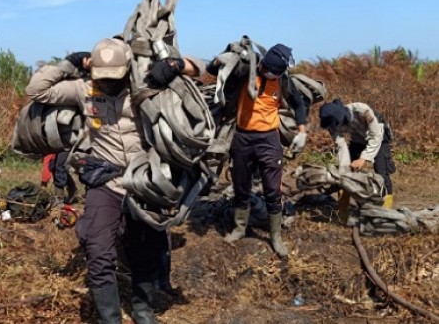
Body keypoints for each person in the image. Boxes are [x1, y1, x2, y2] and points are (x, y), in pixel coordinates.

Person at [26, 38, 199, 324]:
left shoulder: (146, 86)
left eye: (114, 79)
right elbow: (36, 90)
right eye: (102, 78)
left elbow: (207, 70)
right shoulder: (85, 90)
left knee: (145, 250)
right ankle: (110, 319)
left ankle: (143, 310)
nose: (107, 84)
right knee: (97, 249)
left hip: (143, 182)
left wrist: (176, 65)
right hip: (104, 182)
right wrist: (69, 61)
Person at [207, 43, 308, 258]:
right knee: (241, 186)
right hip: (242, 137)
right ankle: (240, 229)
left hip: (269, 139)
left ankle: (275, 236)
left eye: (273, 72)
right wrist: (219, 59)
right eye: (266, 70)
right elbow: (212, 70)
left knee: (272, 189)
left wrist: (302, 131)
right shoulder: (246, 73)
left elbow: (299, 105)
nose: (268, 74)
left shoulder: (283, 81)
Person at [319, 99, 396, 217]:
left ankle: (386, 213)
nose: (336, 127)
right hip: (357, 140)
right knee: (345, 174)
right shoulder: (331, 123)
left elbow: (376, 136)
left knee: (382, 172)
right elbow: (341, 145)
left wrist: (363, 158)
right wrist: (344, 171)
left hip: (378, 137)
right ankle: (343, 212)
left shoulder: (362, 110)